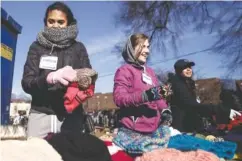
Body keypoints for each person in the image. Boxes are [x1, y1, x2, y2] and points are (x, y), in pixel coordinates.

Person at [21, 2, 92, 138]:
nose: (55, 26)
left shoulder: (78, 48)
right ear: (45, 22)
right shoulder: (36, 47)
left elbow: (88, 78)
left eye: (61, 22)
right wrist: (48, 79)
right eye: (51, 21)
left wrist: (82, 81)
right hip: (40, 114)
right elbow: (27, 82)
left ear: (68, 23)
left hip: (71, 117)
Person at [113, 33, 170, 133]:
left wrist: (165, 110)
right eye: (142, 46)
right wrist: (145, 96)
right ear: (131, 49)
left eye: (148, 47)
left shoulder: (150, 72)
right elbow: (119, 98)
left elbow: (157, 95)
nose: (147, 51)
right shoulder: (124, 71)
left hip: (155, 128)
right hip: (134, 130)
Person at [168, 59, 241, 133]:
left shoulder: (189, 83)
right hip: (182, 126)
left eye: (190, 67)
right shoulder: (177, 85)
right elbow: (191, 105)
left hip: (190, 123)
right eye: (185, 68)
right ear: (178, 70)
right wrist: (221, 110)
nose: (189, 70)